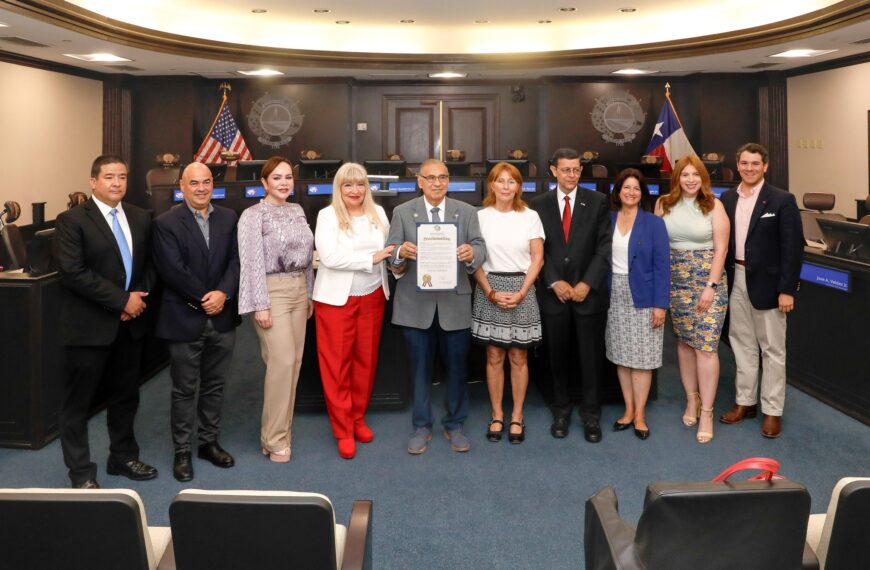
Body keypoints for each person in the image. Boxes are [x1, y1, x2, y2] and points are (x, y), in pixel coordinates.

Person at [55, 154, 158, 488]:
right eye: (109, 177)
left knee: (126, 396)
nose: (117, 183)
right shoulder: (72, 220)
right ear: (93, 181)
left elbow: (150, 265)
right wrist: (121, 300)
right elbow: (73, 272)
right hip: (88, 328)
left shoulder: (141, 217)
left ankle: (122, 457)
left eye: (122, 177)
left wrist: (136, 298)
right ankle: (81, 474)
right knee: (77, 404)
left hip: (130, 326)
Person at [387, 158, 486, 454]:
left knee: (457, 369)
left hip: (454, 303)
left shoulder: (466, 211)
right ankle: (421, 426)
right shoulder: (402, 212)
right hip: (415, 305)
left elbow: (480, 246)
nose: (437, 183)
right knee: (419, 370)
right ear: (420, 182)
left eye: (442, 177)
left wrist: (471, 253)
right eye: (430, 178)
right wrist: (401, 252)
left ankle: (455, 425)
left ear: (448, 181)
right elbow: (391, 254)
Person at [152, 162, 241, 482]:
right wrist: (207, 298)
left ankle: (208, 443)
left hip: (222, 318)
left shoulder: (229, 217)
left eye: (206, 182)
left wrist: (224, 293)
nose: (201, 188)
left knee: (215, 386)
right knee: (184, 389)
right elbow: (172, 270)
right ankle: (182, 451)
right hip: (184, 318)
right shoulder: (166, 222)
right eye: (194, 183)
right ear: (182, 186)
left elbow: (237, 261)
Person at [719, 143, 803, 438]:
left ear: (765, 166)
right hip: (736, 278)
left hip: (770, 284)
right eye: (744, 163)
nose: (749, 168)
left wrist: (787, 289)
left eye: (755, 163)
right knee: (741, 344)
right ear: (737, 165)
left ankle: (772, 410)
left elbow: (793, 248)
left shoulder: (782, 200)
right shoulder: (727, 198)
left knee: (772, 350)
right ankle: (745, 402)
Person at [312, 163, 395, 459]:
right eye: (348, 185)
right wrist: (371, 258)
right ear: (339, 188)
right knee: (336, 366)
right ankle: (343, 428)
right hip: (336, 300)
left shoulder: (378, 213)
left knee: (365, 363)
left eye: (360, 184)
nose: (355, 190)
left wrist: (397, 259)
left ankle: (358, 417)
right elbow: (330, 257)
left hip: (373, 296)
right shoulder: (327, 215)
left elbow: (390, 253)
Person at [529, 148, 611, 443]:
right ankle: (560, 410)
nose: (572, 175)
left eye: (576, 170)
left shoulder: (598, 200)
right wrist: (554, 281)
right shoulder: (538, 205)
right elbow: (537, 249)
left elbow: (604, 246)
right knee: (557, 357)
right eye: (566, 170)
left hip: (588, 296)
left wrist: (587, 283)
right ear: (553, 171)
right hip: (555, 296)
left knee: (591, 359)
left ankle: (591, 414)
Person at [238, 156, 314, 463]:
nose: (284, 183)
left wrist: (308, 294)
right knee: (281, 363)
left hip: (299, 290)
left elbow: (307, 257)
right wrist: (260, 304)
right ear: (264, 183)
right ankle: (273, 439)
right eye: (277, 178)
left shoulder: (297, 210)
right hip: (272, 292)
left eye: (288, 177)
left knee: (293, 364)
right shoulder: (252, 215)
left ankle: (281, 432)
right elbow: (251, 263)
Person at [655, 155, 729, 444]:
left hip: (708, 281)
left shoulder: (714, 205)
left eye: (695, 175)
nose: (690, 180)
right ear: (677, 178)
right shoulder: (663, 204)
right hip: (675, 282)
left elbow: (721, 250)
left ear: (703, 178)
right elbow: (657, 244)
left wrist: (710, 287)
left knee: (706, 347)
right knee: (685, 343)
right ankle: (691, 399)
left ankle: (707, 411)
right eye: (685, 175)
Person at [471, 162, 544, 444]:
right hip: (489, 288)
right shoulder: (479, 217)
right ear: (491, 185)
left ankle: (517, 415)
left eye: (511, 181)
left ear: (519, 187)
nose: (505, 186)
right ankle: (497, 414)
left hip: (522, 289)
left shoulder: (530, 216)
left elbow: (537, 259)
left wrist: (523, 291)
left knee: (518, 356)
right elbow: (474, 260)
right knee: (494, 356)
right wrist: (490, 291)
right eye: (500, 181)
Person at [605, 169, 670, 440]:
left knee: (642, 359)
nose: (631, 192)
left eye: (636, 188)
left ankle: (640, 414)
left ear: (642, 193)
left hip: (645, 296)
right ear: (618, 191)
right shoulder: (607, 219)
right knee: (622, 355)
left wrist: (660, 305)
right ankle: (628, 409)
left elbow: (662, 266)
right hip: (614, 294)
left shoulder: (654, 223)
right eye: (626, 187)